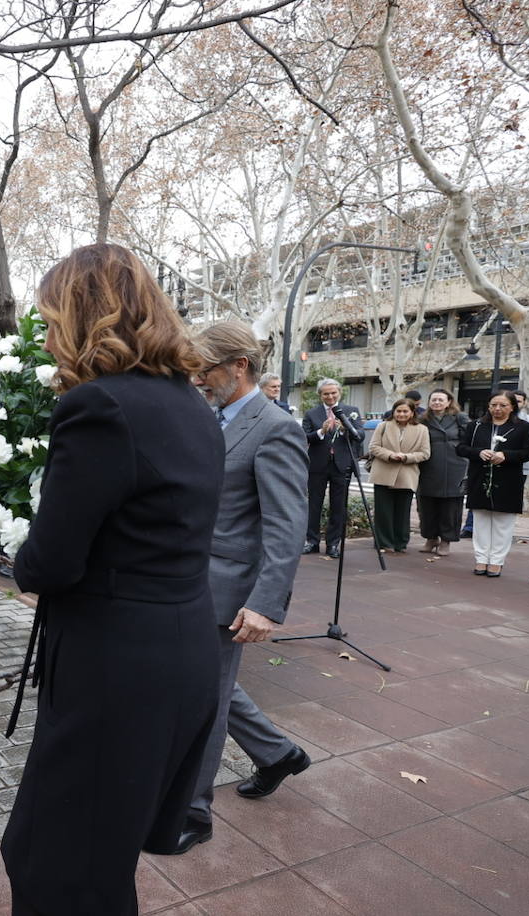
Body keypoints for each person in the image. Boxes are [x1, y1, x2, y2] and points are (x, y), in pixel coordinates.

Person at [2, 244, 222, 915]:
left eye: (49, 320)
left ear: (82, 317)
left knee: (56, 870)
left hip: (117, 669)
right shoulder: (190, 403)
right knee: (98, 859)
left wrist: (17, 555)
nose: (45, 337)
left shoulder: (99, 407)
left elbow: (54, 561)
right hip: (180, 651)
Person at [165, 321, 310, 856]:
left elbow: (286, 524)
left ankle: (194, 813)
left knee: (206, 701)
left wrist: (266, 605)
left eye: (205, 369)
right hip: (186, 581)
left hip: (229, 592)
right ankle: (276, 754)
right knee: (212, 687)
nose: (197, 379)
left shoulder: (275, 428)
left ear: (239, 367)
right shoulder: (207, 417)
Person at [457, 391, 529, 577]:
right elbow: (461, 448)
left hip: (508, 480)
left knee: (503, 524)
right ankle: (481, 559)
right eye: (493, 405)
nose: (497, 409)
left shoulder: (523, 427)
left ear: (512, 407)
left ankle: (497, 561)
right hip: (480, 477)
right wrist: (478, 453)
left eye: (503, 405)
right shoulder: (475, 425)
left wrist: (506, 455)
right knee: (480, 522)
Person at [302, 379, 364, 558]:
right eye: (326, 393)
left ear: (339, 393)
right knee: (314, 504)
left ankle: (333, 544)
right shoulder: (312, 413)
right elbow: (305, 437)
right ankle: (311, 541)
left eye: (333, 393)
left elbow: (359, 435)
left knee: (338, 507)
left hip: (342, 464)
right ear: (320, 395)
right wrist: (321, 431)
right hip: (318, 465)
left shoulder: (351, 411)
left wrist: (346, 428)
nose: (330, 396)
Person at [368, 398, 431, 554]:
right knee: (383, 511)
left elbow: (425, 453)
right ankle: (384, 542)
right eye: (398, 411)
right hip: (383, 471)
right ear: (394, 412)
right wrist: (390, 455)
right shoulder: (383, 426)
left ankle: (400, 543)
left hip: (407, 474)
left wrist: (406, 457)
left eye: (405, 411)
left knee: (403, 512)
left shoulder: (422, 429)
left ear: (412, 413)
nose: (401, 414)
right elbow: (374, 447)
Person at [417, 389, 471, 556]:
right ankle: (430, 538)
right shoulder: (423, 419)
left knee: (450, 506)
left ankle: (446, 540)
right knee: (426, 504)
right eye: (434, 400)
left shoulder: (459, 417)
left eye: (441, 400)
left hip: (454, 466)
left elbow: (468, 439)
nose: (437, 403)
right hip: (428, 465)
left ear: (449, 402)